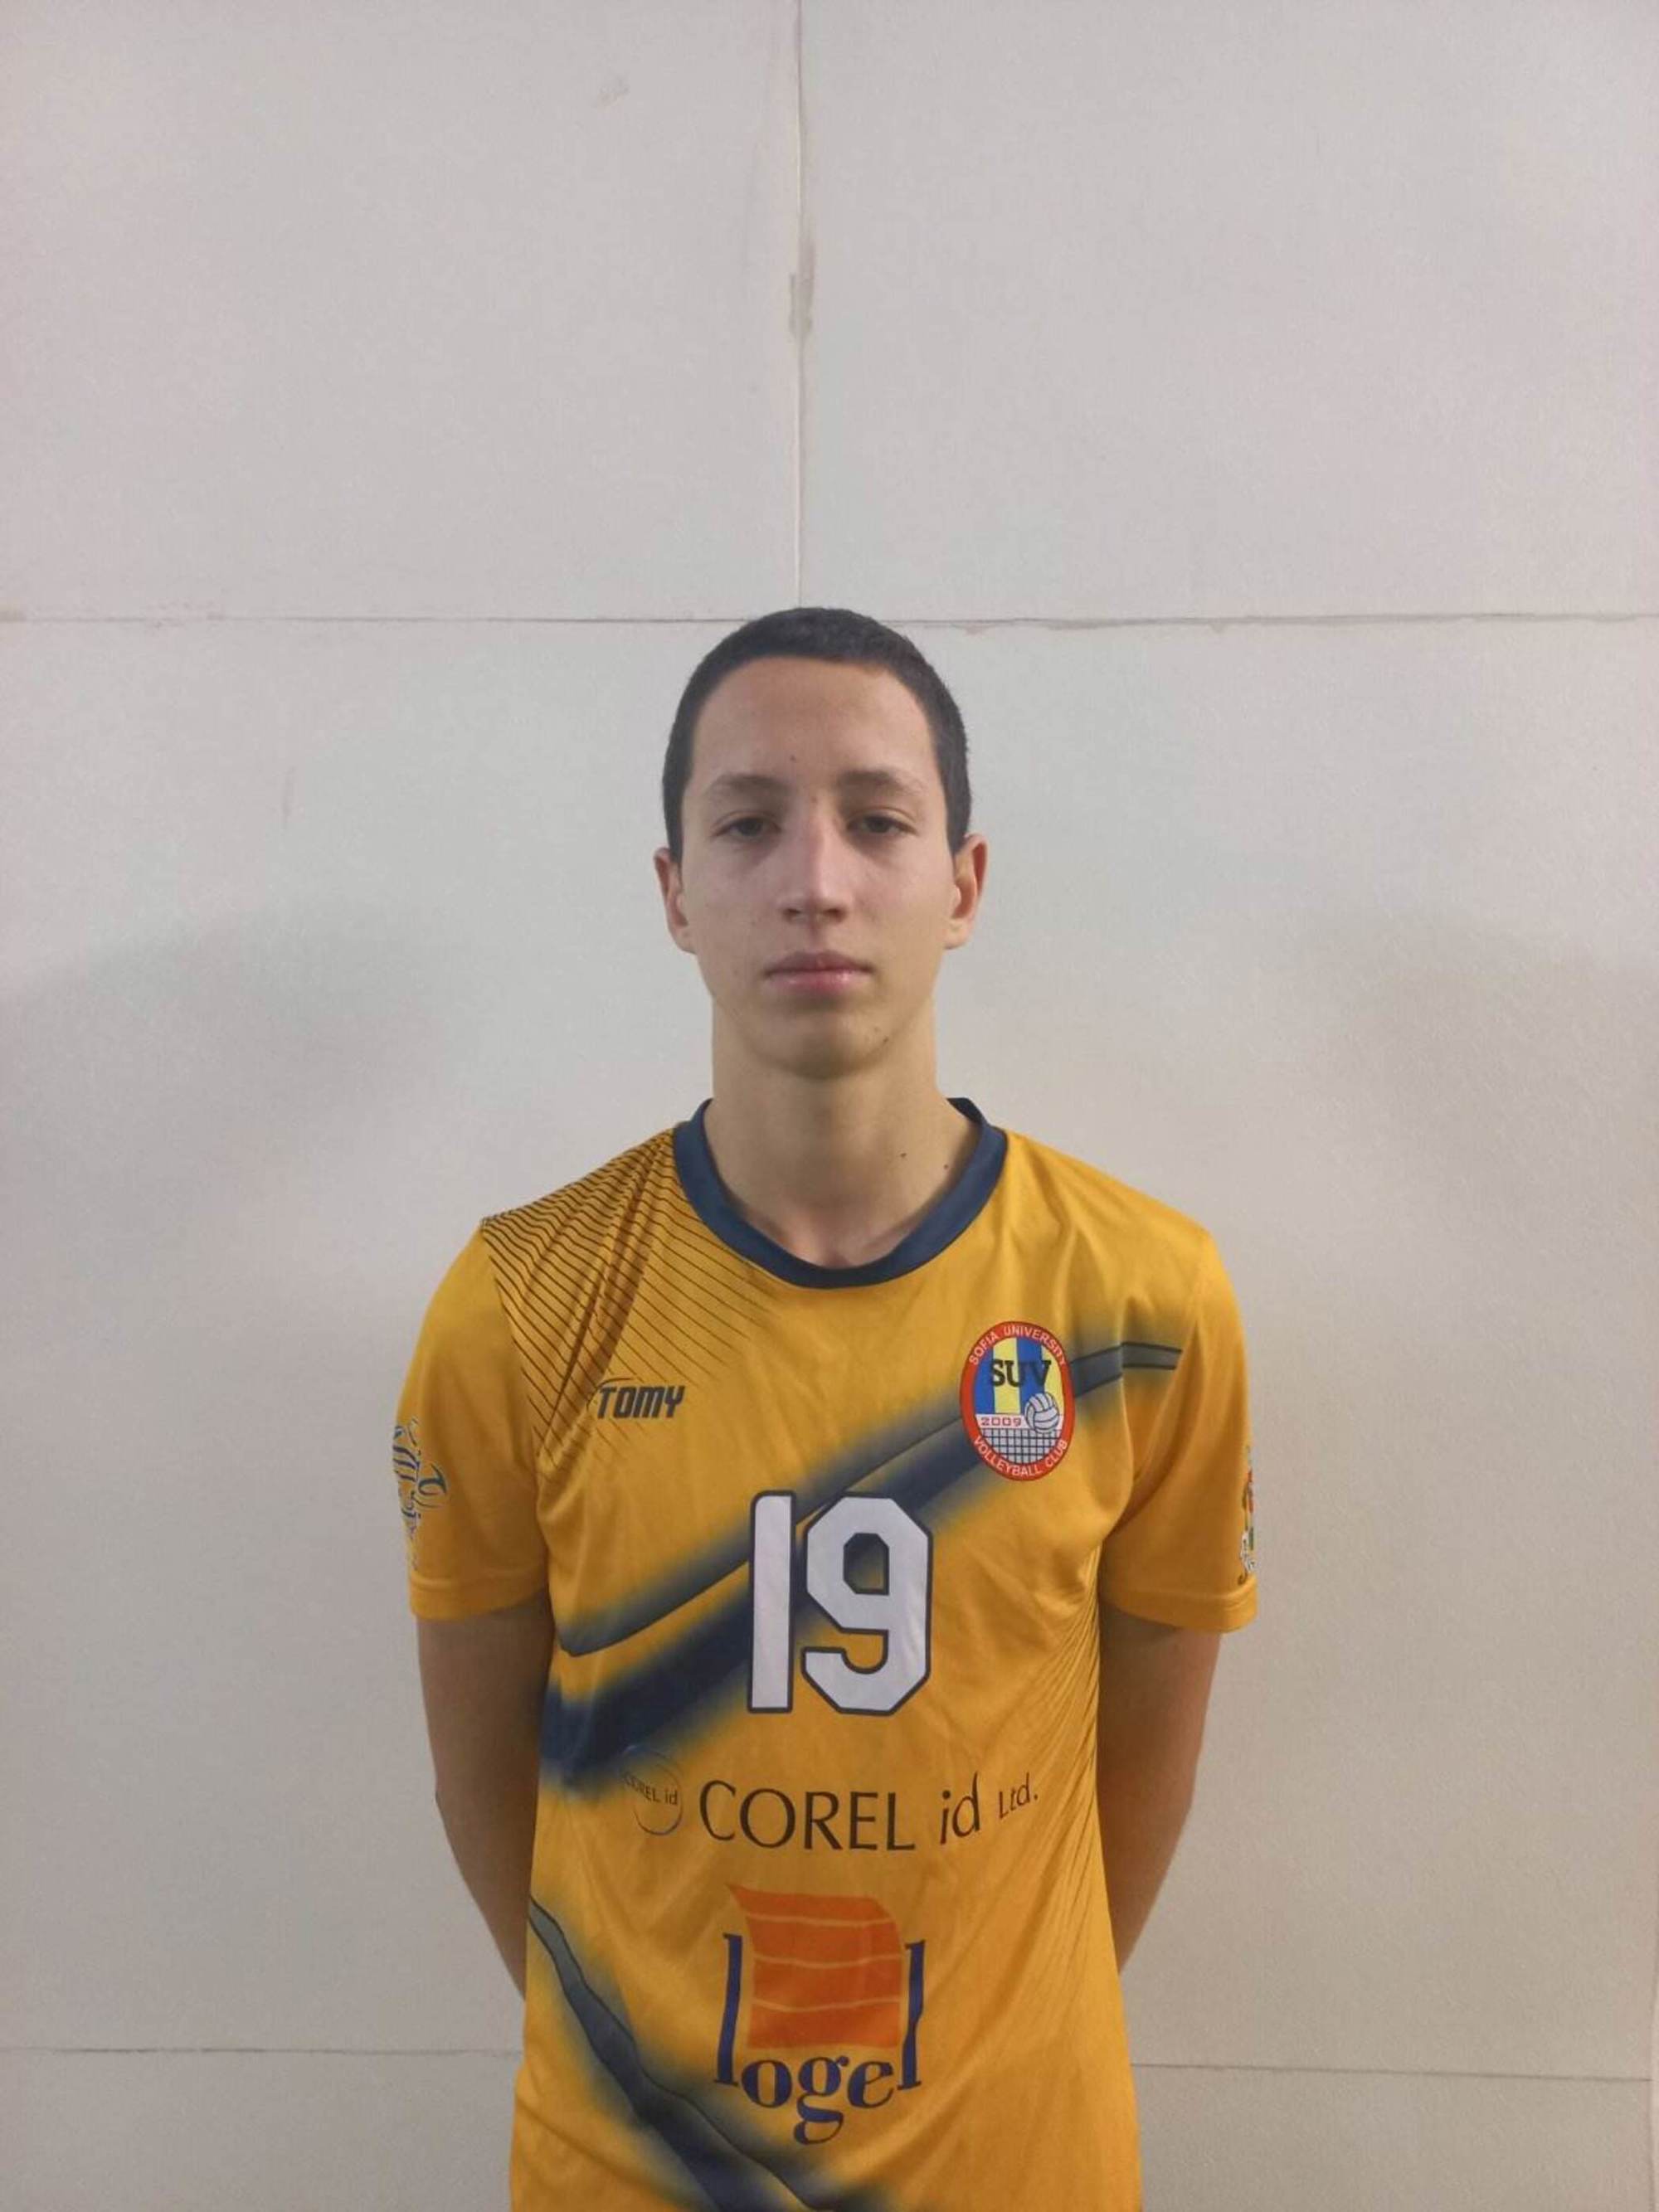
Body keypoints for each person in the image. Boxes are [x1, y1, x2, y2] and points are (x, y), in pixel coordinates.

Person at [392, 605, 1258, 2211]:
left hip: (1019, 2163)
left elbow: (1144, 1769)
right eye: (747, 823)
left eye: (876, 819)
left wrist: (1003, 2030)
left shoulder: (1142, 1303)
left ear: (963, 883)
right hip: (634, 2172)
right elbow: (482, 1779)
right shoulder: (521, 1302)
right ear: (674, 891)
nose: (816, 878)